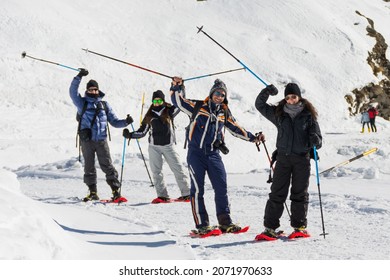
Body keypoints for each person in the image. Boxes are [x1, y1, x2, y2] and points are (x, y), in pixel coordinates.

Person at [170, 77, 263, 235]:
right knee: (198, 190)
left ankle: (225, 223)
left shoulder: (224, 112)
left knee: (221, 187)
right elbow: (178, 102)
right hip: (196, 154)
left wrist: (253, 137)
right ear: (211, 93)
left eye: (222, 94)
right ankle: (202, 225)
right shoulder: (198, 106)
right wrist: (177, 86)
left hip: (214, 155)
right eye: (217, 93)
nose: (219, 96)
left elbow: (235, 128)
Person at [254, 83, 322, 240]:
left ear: (299, 97)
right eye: (287, 97)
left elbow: (319, 142)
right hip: (283, 159)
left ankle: (299, 227)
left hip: (302, 160)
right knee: (277, 193)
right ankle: (270, 228)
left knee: (299, 194)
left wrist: (315, 139)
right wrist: (266, 91)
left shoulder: (308, 116)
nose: (290, 100)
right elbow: (260, 105)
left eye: (293, 97)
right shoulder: (278, 114)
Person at [70, 68, 134, 202]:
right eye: (91, 89)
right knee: (89, 166)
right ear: (87, 91)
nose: (93, 91)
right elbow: (72, 93)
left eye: (95, 89)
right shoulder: (82, 103)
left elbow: (114, 122)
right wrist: (79, 76)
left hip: (101, 140)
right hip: (87, 141)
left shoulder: (104, 105)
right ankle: (92, 192)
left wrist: (126, 122)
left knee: (107, 165)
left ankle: (116, 191)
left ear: (98, 90)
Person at [122, 90, 190, 203]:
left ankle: (187, 193)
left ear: (163, 100)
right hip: (154, 147)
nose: (157, 102)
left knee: (178, 169)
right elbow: (142, 132)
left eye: (159, 100)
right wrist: (130, 135)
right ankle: (162, 195)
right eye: (155, 100)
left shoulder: (169, 111)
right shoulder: (150, 114)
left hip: (168, 146)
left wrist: (180, 87)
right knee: (156, 172)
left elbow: (180, 103)